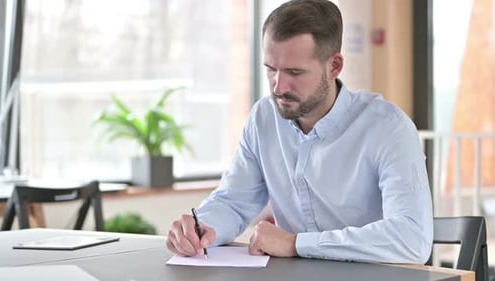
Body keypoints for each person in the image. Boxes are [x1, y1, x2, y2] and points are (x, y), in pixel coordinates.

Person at [167, 0, 433, 264]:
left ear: (334, 66)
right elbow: (234, 202)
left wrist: (296, 243)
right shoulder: (264, 118)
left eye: (295, 72)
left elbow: (412, 239)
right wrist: (201, 227)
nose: (279, 86)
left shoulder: (388, 128)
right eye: (271, 69)